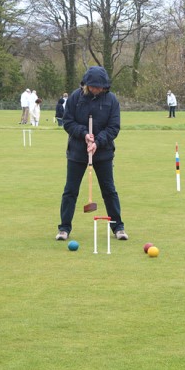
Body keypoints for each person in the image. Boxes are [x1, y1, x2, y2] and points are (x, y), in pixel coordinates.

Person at [55, 66, 128, 241]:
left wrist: (97, 142)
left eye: (99, 86)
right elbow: (68, 122)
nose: (96, 89)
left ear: (104, 86)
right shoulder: (75, 98)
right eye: (92, 86)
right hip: (77, 152)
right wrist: (84, 134)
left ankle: (118, 227)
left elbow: (113, 127)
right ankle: (64, 228)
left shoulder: (111, 100)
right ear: (86, 84)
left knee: (109, 190)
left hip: (103, 153)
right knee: (70, 191)